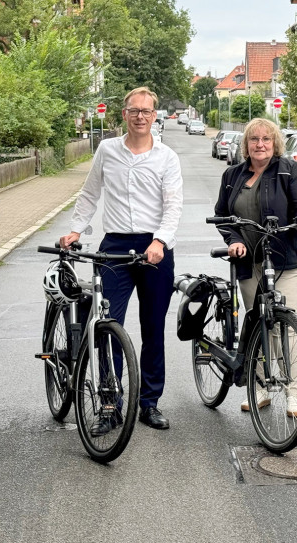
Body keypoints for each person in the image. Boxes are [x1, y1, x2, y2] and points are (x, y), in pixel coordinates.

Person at [60, 87, 183, 430]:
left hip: (154, 247)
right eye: (134, 111)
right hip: (114, 245)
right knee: (107, 327)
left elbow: (173, 206)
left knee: (153, 328)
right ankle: (110, 404)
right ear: (125, 115)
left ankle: (149, 402)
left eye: (146, 111)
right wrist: (75, 230)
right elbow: (89, 193)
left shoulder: (166, 157)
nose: (140, 116)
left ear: (154, 116)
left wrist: (160, 241)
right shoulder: (107, 150)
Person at [214, 117, 297, 417]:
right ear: (246, 145)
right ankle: (260, 387)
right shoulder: (232, 175)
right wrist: (233, 239)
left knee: (284, 325)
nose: (260, 144)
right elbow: (223, 215)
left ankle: (294, 392)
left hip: (283, 258)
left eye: (266, 139)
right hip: (247, 261)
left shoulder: (288, 169)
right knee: (257, 323)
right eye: (254, 139)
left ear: (275, 143)